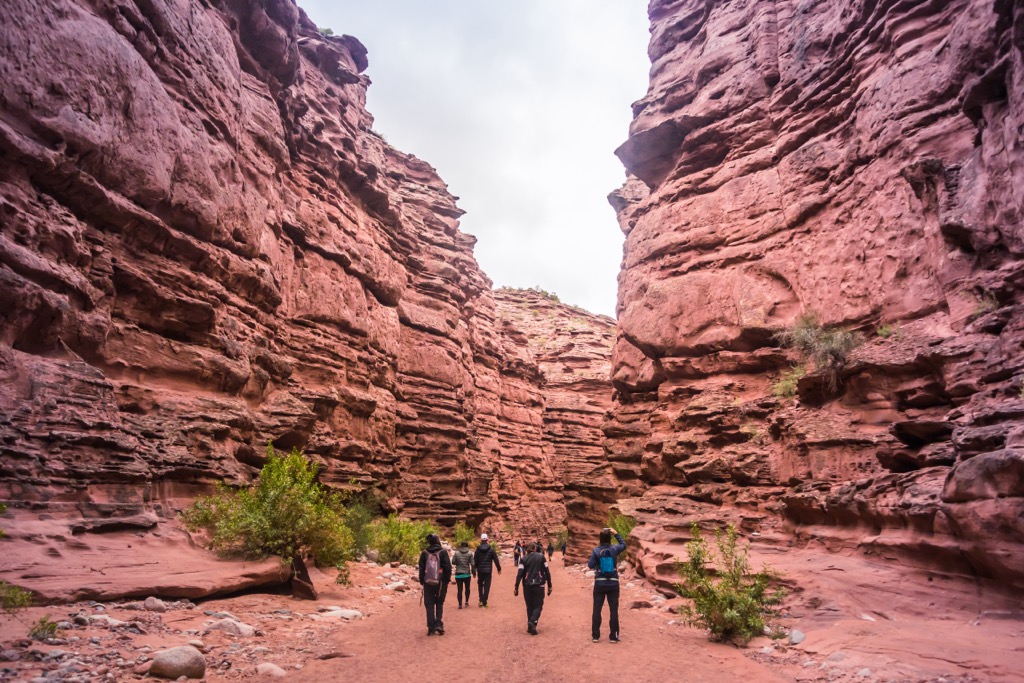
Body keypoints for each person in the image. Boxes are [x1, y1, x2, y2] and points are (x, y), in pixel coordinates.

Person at [587, 526, 626, 643]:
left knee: (597, 609)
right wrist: (617, 533)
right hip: (613, 583)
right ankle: (613, 636)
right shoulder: (614, 549)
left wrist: (597, 566)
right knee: (613, 610)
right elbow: (624, 545)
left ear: (600, 538)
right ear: (609, 538)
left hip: (600, 583)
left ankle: (595, 636)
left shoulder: (596, 550)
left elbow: (590, 565)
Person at [514, 542, 552, 635]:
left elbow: (520, 573)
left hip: (527, 585)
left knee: (529, 606)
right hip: (539, 585)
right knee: (538, 606)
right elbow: (547, 571)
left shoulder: (523, 559)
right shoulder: (541, 557)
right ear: (534, 548)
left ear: (526, 549)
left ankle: (531, 626)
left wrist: (516, 586)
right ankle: (532, 622)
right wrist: (550, 585)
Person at [418, 533, 452, 636]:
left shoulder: (424, 553)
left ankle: (430, 627)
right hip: (441, 582)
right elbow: (448, 568)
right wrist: (446, 580)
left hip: (428, 582)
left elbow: (421, 569)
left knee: (429, 604)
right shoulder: (443, 552)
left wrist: (422, 581)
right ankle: (438, 624)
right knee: (439, 603)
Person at [473, 533, 501, 607]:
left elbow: (475, 561)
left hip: (480, 570)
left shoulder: (477, 550)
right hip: (488, 571)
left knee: (480, 585)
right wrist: (499, 568)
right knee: (487, 586)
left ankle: (481, 600)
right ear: (487, 540)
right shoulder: (491, 549)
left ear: (481, 540)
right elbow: (496, 559)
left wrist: (474, 570)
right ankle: (484, 601)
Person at [451, 540, 475, 609]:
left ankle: (460, 604)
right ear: (467, 546)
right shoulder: (470, 554)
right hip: (467, 574)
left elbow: (453, 562)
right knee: (467, 588)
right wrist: (474, 572)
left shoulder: (456, 553)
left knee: (459, 589)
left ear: (461, 546)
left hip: (458, 574)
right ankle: (466, 601)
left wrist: (458, 563)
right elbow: (473, 564)